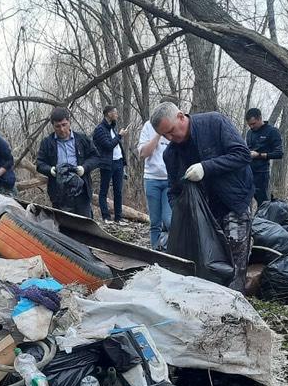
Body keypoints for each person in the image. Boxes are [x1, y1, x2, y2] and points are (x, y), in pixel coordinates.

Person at [150, 101, 254, 292]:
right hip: (204, 216)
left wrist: (205, 167)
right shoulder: (171, 154)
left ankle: (236, 301)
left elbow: (242, 155)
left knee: (235, 263)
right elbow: (174, 191)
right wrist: (183, 213)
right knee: (210, 263)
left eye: (171, 131)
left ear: (181, 116)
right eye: (164, 135)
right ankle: (211, 301)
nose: (170, 137)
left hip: (233, 201)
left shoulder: (214, 123)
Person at [36, 107, 101, 218]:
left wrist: (84, 168)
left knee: (85, 223)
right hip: (58, 192)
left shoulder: (81, 139)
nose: (62, 129)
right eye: (58, 126)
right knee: (62, 225)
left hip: (82, 190)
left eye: (64, 125)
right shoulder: (47, 143)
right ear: (53, 126)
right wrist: (51, 170)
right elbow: (40, 164)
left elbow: (96, 157)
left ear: (69, 122)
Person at [137, 116, 171, 249]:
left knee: (168, 219)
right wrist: (158, 134)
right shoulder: (148, 126)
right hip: (152, 179)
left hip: (170, 180)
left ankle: (171, 250)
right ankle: (155, 253)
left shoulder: (173, 127)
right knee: (155, 222)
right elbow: (144, 153)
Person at [93, 105, 129, 223]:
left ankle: (118, 218)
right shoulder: (100, 129)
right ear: (109, 114)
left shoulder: (112, 128)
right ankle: (106, 217)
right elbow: (108, 146)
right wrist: (120, 136)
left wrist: (123, 161)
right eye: (115, 112)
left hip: (118, 162)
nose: (117, 115)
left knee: (118, 191)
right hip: (107, 164)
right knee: (104, 190)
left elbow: (116, 146)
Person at [244, 108, 283, 205]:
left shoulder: (272, 131)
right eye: (249, 125)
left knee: (263, 203)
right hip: (248, 171)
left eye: (253, 124)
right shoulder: (249, 133)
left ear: (260, 118)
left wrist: (259, 155)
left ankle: (264, 219)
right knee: (244, 199)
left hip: (262, 174)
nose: (252, 127)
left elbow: (279, 153)